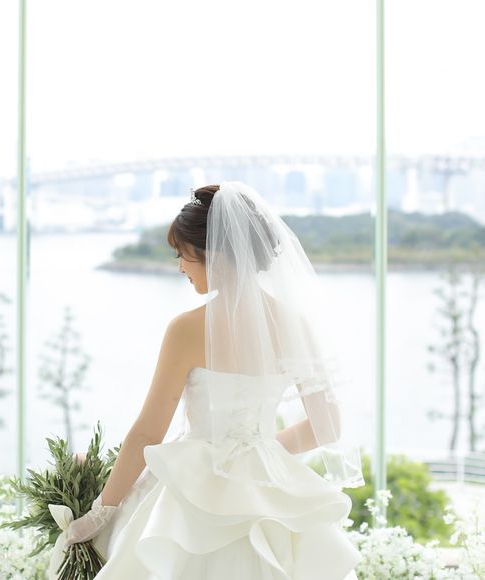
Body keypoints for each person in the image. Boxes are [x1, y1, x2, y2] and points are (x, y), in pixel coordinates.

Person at [59, 181, 365, 579]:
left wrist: (101, 513)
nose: (180, 268)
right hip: (268, 489)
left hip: (191, 494)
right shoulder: (295, 325)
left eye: (183, 255)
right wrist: (259, 451)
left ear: (215, 254)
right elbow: (327, 425)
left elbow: (148, 433)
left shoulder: (187, 329)